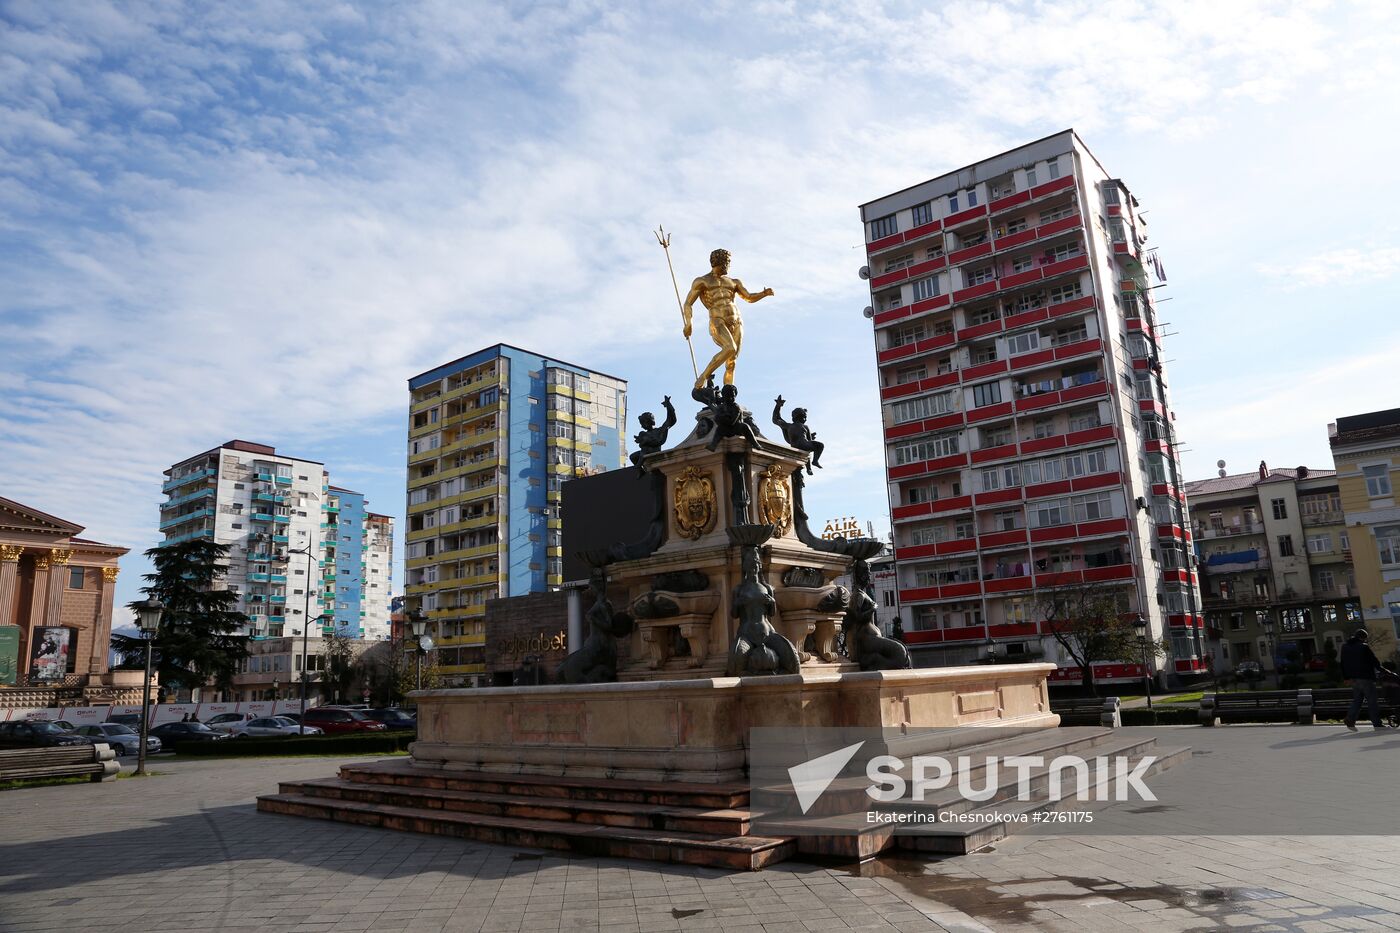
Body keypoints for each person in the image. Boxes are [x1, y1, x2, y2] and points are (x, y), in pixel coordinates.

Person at [681, 248, 774, 389]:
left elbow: (748, 297)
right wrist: (689, 323)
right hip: (718, 320)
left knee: (732, 361)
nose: (729, 266)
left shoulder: (734, 282)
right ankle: (703, 376)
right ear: (720, 262)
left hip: (736, 321)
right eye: (728, 262)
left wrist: (764, 293)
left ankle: (729, 393)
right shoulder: (702, 281)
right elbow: (688, 303)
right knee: (730, 348)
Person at [1341, 629, 1387, 731]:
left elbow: (1342, 663)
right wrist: (1384, 671)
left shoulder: (1345, 647)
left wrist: (1346, 677)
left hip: (1353, 679)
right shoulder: (1364, 647)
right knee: (1372, 701)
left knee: (1357, 700)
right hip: (1365, 677)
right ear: (1363, 638)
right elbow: (1374, 661)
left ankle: (1350, 718)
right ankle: (1377, 724)